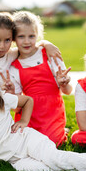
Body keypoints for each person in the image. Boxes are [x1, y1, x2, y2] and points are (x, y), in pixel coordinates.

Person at [9, 11, 72, 146]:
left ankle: (60, 131)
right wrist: (11, 95)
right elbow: (17, 109)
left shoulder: (50, 54)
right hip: (29, 113)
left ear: (38, 35)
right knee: (26, 145)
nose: (27, 41)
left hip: (52, 110)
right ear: (14, 38)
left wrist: (64, 84)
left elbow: (67, 91)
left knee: (52, 143)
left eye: (31, 36)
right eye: (21, 36)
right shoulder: (14, 67)